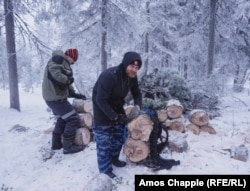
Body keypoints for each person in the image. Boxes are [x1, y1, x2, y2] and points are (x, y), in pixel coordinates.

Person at [92, 51, 142, 178]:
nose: (134, 69)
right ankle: (105, 171)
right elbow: (100, 100)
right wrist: (114, 116)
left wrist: (137, 106)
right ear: (125, 64)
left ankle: (114, 158)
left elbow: (137, 93)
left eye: (137, 67)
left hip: (117, 106)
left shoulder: (132, 76)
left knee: (119, 136)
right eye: (132, 66)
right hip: (101, 110)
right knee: (104, 142)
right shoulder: (109, 76)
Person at [42, 48, 86, 154]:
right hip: (56, 98)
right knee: (73, 119)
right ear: (69, 56)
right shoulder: (58, 59)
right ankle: (68, 146)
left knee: (63, 119)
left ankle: (56, 145)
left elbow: (64, 84)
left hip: (53, 97)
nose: (73, 63)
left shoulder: (63, 63)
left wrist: (74, 94)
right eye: (73, 60)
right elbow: (56, 76)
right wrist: (68, 80)